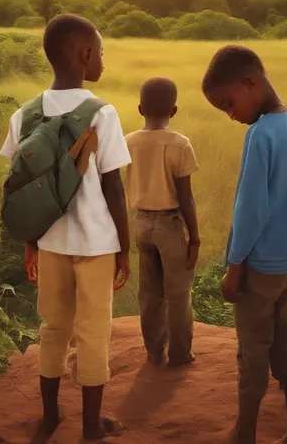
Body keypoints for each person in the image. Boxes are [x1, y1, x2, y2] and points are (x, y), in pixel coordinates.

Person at [0, 14, 132, 441]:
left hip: (50, 241)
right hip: (96, 245)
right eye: (102, 53)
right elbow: (115, 189)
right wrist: (125, 250)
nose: (104, 63)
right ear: (86, 54)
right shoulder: (102, 113)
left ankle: (50, 415)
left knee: (52, 329)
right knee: (93, 333)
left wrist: (30, 243)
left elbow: (21, 188)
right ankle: (91, 428)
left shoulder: (24, 115)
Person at [202, 46, 287, 444]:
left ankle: (244, 434)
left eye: (228, 103)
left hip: (262, 268)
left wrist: (235, 267)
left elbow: (250, 210)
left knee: (252, 352)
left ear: (251, 82)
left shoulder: (260, 133)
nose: (231, 115)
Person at [125, 78, 201, 367]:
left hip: (141, 224)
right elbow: (186, 197)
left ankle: (154, 349)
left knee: (150, 292)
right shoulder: (180, 144)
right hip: (169, 226)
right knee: (178, 293)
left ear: (141, 108)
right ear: (175, 110)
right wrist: (194, 239)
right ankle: (181, 354)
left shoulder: (129, 141)